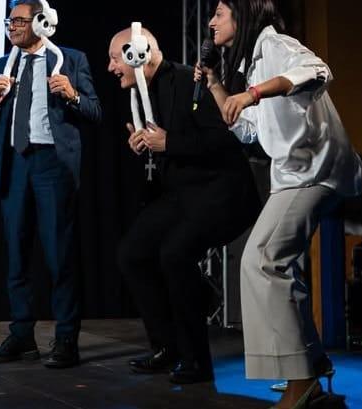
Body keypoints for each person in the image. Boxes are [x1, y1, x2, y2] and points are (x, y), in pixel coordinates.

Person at [196, 0, 362, 407]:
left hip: (313, 171)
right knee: (277, 264)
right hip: (296, 175)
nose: (211, 21)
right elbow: (249, 130)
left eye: (219, 12)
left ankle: (301, 380)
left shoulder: (275, 45)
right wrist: (217, 85)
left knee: (263, 261)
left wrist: (252, 93)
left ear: (243, 13)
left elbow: (318, 70)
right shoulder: (254, 64)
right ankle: (311, 363)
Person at [108, 27, 254, 383]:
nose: (111, 67)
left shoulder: (192, 82)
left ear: (138, 53)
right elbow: (165, 145)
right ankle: (167, 347)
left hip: (222, 192)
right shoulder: (142, 93)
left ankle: (196, 362)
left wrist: (169, 143)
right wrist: (145, 143)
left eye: (115, 58)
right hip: (184, 194)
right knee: (132, 254)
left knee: (175, 254)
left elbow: (226, 140)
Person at [0, 0, 101, 369]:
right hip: (15, 164)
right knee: (17, 255)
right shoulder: (0, 66)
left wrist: (72, 94)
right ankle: (22, 335)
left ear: (42, 22)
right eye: (9, 21)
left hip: (52, 166)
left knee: (60, 256)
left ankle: (66, 339)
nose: (12, 27)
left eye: (19, 21)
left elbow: (95, 112)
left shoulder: (71, 60)